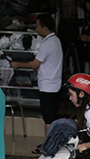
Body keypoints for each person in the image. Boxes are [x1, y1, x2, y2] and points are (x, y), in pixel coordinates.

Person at [11, 14, 63, 145]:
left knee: (48, 118)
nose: (36, 29)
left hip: (48, 86)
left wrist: (17, 64)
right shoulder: (56, 40)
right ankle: (51, 143)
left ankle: (49, 145)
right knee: (51, 116)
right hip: (55, 84)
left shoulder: (48, 43)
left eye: (38, 26)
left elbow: (34, 64)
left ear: (45, 28)